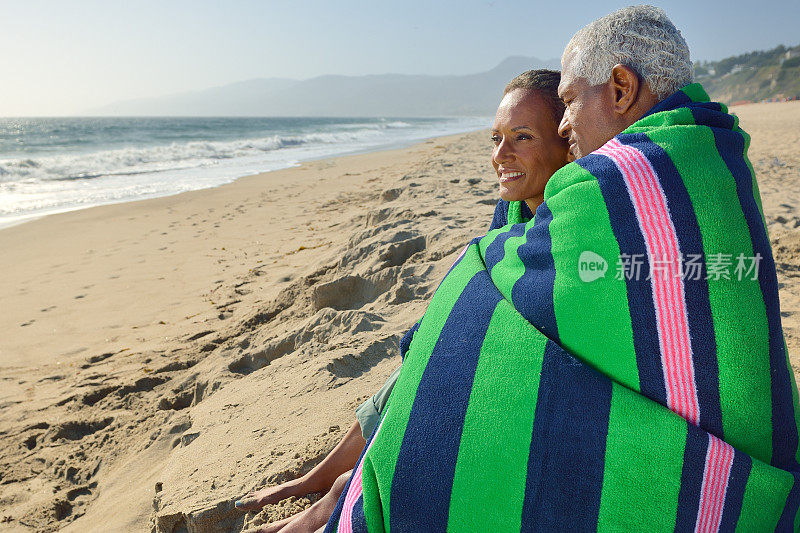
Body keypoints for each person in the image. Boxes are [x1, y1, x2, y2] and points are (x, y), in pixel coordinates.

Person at [326, 6, 800, 531]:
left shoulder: (622, 176)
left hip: (717, 483)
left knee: (470, 335)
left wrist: (473, 270)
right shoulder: (714, 154)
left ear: (620, 88)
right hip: (763, 448)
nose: (566, 121)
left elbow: (514, 288)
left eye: (571, 100)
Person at [234, 69, 571, 533]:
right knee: (417, 362)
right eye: (495, 138)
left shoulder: (571, 222)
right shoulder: (511, 214)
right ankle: (321, 481)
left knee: (435, 366)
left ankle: (338, 494)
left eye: (522, 137)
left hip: (530, 381)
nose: (500, 155)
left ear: (567, 138)